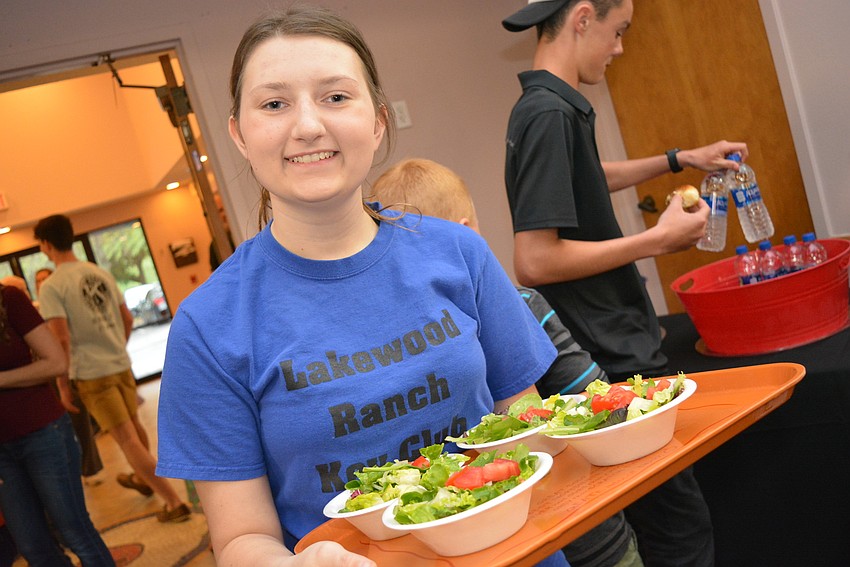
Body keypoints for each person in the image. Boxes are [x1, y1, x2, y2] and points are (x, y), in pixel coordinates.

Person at [156, 6, 567, 567]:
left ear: (376, 121)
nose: (307, 126)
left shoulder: (458, 252)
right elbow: (239, 540)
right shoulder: (208, 326)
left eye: (335, 97)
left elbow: (527, 430)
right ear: (239, 134)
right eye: (274, 104)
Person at [501, 1, 744, 565]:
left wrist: (678, 158)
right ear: (583, 17)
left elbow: (585, 176)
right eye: (618, 33)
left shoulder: (549, 107)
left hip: (611, 343)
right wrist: (654, 242)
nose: (619, 49)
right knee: (680, 531)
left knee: (665, 523)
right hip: (606, 355)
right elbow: (533, 261)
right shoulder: (547, 114)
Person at [372, 157, 643, 567]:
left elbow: (597, 401)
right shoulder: (523, 303)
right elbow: (600, 397)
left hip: (583, 532)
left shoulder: (516, 307)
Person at [33, 214, 190, 523]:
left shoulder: (52, 285)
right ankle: (144, 480)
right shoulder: (98, 272)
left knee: (126, 439)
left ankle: (173, 502)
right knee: (135, 429)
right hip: (119, 363)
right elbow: (127, 319)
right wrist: (117, 346)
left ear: (47, 245)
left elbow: (60, 339)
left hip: (91, 373)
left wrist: (63, 385)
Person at [0, 282, 115, 566]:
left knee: (73, 531)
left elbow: (56, 362)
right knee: (32, 547)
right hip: (2, 452)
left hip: (43, 434)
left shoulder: (9, 299)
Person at [36, 266, 106, 486]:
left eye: (45, 278)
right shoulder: (36, 311)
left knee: (80, 422)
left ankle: (89, 469)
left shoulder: (59, 304)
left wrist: (63, 378)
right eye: (38, 280)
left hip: (72, 369)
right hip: (46, 376)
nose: (42, 283)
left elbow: (64, 339)